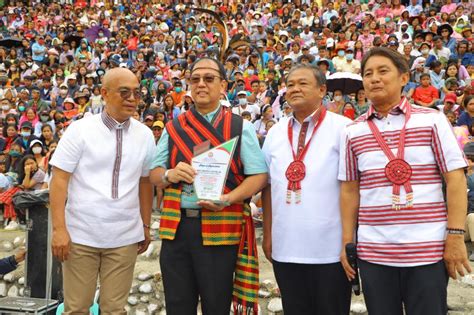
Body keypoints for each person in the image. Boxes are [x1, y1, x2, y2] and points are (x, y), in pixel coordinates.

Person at [339, 47, 471, 315]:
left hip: (428, 251)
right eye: (368, 74)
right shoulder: (353, 132)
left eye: (383, 71)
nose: (374, 78)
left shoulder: (432, 120)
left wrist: (455, 236)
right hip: (374, 253)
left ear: (403, 78)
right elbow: (350, 190)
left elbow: (456, 179)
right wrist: (346, 243)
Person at [150, 57, 268, 315]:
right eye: (195, 79)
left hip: (221, 225)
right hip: (177, 229)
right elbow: (155, 174)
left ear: (223, 84)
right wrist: (170, 174)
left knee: (217, 305)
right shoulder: (173, 127)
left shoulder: (240, 126)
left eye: (209, 78)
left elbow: (259, 175)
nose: (201, 84)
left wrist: (228, 198)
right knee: (178, 306)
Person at [49, 68, 156, 315]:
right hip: (80, 236)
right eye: (124, 92)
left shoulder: (145, 135)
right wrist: (59, 229)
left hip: (125, 237)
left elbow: (145, 182)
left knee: (114, 310)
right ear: (105, 94)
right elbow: (59, 179)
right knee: (76, 309)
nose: (132, 98)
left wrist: (146, 226)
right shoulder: (80, 130)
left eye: (137, 93)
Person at [262, 63, 351, 314]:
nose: (294, 89)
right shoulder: (275, 132)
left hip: (331, 252)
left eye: (303, 83)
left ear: (322, 90)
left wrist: (349, 240)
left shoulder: (343, 128)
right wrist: (268, 234)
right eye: (290, 84)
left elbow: (352, 189)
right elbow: (268, 188)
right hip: (286, 249)